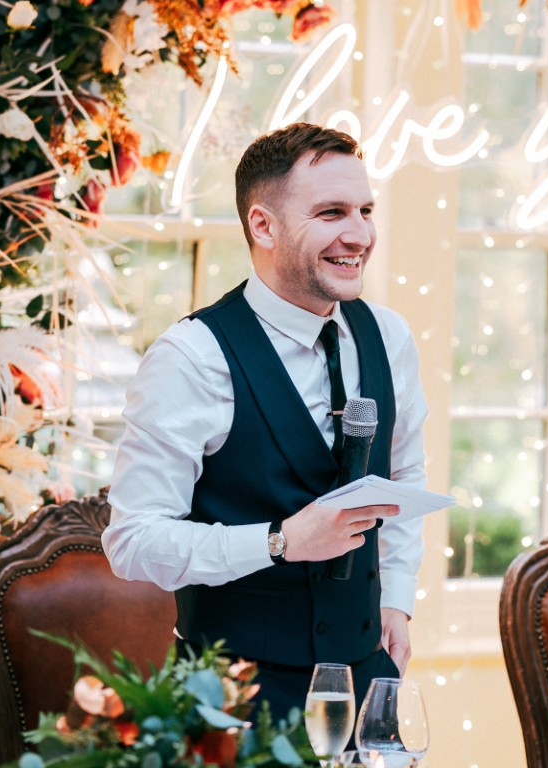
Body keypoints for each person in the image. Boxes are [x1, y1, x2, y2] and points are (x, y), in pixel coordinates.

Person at [102, 122, 428, 722]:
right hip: (230, 702)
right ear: (263, 225)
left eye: (364, 210)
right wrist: (279, 543)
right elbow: (132, 541)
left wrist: (397, 603)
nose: (359, 234)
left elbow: (403, 480)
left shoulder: (390, 336)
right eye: (331, 213)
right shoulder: (192, 357)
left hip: (368, 684)